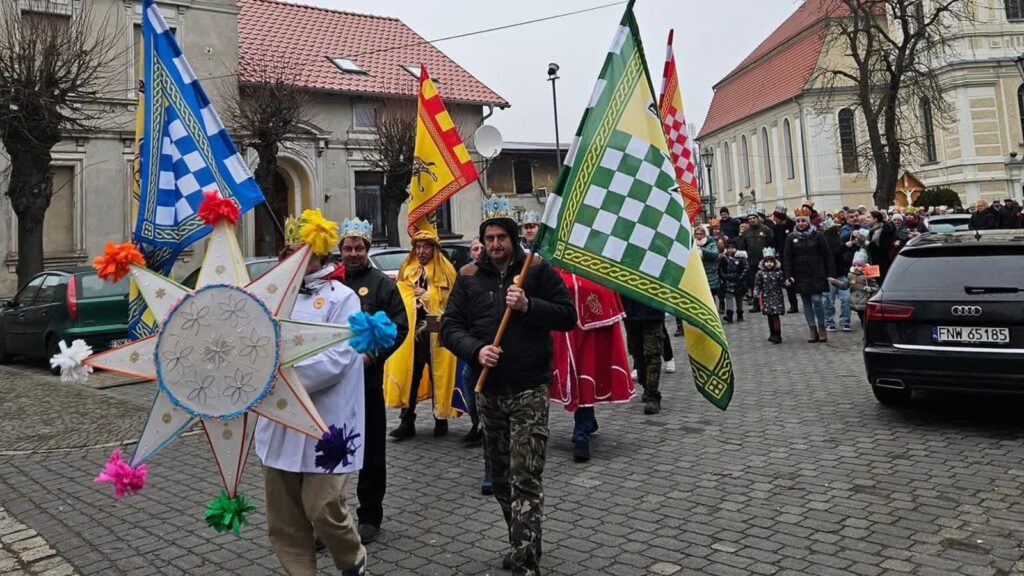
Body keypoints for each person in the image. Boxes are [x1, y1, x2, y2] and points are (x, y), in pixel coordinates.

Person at [441, 200, 576, 576]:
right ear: (482, 241)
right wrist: (476, 350)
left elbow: (568, 316)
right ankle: (524, 539)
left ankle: (525, 561)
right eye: (489, 238)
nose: (496, 244)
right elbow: (451, 327)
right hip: (489, 391)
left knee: (525, 475)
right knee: (501, 479)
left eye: (502, 237)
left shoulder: (536, 271)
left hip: (530, 387)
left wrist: (530, 305)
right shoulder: (468, 275)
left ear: (513, 239)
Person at [255, 216, 367, 576]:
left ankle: (353, 564)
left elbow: (336, 357)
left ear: (320, 254)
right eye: (290, 253)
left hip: (326, 424)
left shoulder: (343, 298)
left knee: (324, 509)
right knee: (285, 521)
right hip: (279, 423)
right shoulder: (268, 299)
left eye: (305, 253)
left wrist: (274, 377)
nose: (298, 260)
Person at [337, 218, 409, 544]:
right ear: (340, 250)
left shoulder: (381, 285)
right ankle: (331, 518)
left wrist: (374, 356)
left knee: (371, 454)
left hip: (366, 385)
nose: (353, 253)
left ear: (367, 249)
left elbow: (400, 327)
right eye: (348, 248)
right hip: (331, 388)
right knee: (331, 451)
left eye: (359, 247)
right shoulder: (329, 283)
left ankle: (369, 516)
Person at [550, 270, 634, 462]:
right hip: (561, 327)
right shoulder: (550, 261)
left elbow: (602, 287)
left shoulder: (593, 262)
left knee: (585, 374)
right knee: (567, 375)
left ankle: (582, 432)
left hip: (589, 328)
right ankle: (587, 422)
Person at [384, 229, 459, 440]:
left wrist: (429, 296)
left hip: (436, 329)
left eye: (426, 246)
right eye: (418, 246)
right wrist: (411, 300)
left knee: (439, 374)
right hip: (413, 333)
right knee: (411, 374)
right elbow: (400, 297)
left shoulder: (446, 270)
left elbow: (452, 301)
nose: (421, 251)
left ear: (434, 249)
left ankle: (440, 418)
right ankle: (407, 420)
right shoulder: (408, 269)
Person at [783, 207, 835, 343]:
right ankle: (812, 329)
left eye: (803, 221)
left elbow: (827, 255)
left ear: (808, 221)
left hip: (817, 272)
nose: (801, 223)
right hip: (800, 274)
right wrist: (787, 275)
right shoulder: (791, 237)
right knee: (806, 302)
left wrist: (830, 273)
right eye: (798, 221)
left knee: (817, 300)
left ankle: (822, 326)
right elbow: (787, 257)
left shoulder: (818, 235)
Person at [622, 296, 666, 415]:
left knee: (652, 354)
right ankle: (646, 386)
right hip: (630, 312)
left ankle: (653, 395)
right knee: (638, 354)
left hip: (653, 310)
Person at [738, 212, 773, 312]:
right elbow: (742, 247)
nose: (752, 220)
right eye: (750, 219)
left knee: (767, 283)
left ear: (758, 219)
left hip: (764, 261)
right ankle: (756, 304)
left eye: (754, 218)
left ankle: (768, 303)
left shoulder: (765, 229)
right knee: (754, 284)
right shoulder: (746, 232)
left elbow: (771, 243)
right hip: (751, 261)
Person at [823, 222, 853, 332]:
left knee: (846, 299)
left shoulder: (838, 240)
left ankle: (845, 321)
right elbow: (831, 254)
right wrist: (844, 247)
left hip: (841, 273)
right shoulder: (826, 241)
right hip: (830, 274)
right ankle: (829, 322)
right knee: (829, 301)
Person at [753, 248, 786, 344]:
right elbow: (757, 285)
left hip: (777, 297)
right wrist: (756, 293)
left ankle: (777, 334)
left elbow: (782, 283)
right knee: (769, 316)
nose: (769, 264)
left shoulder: (779, 273)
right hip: (766, 298)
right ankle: (772, 333)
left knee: (775, 316)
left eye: (771, 261)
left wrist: (788, 282)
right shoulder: (760, 273)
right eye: (767, 261)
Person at [770, 204, 798, 313]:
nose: (774, 220)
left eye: (775, 218)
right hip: (784, 257)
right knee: (788, 281)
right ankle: (793, 305)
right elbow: (774, 243)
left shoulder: (793, 225)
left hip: (796, 256)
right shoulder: (776, 228)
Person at [717, 239, 747, 323]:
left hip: (738, 280)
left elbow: (746, 268)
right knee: (728, 296)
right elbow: (720, 268)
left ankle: (740, 313)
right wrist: (723, 277)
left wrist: (741, 277)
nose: (730, 249)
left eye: (733, 247)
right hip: (728, 280)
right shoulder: (724, 258)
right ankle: (729, 314)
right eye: (729, 247)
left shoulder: (741, 258)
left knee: (739, 298)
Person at [845, 250, 877, 327]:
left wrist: (870, 289)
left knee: (864, 319)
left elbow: (876, 287)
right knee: (862, 317)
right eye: (855, 265)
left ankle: (866, 333)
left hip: (865, 301)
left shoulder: (868, 276)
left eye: (859, 266)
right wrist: (835, 282)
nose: (856, 267)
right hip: (856, 303)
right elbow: (845, 285)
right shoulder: (851, 275)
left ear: (864, 266)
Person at [864, 210, 895, 281]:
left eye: (868, 217)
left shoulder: (884, 230)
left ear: (875, 219)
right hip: (871, 261)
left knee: (879, 283)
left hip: (881, 263)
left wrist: (866, 242)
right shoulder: (872, 230)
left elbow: (883, 249)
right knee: (872, 283)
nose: (866, 219)